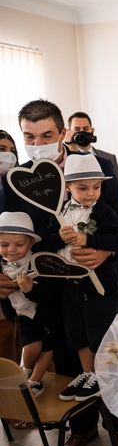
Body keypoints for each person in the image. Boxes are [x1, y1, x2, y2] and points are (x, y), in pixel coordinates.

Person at [0, 99, 118, 446]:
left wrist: (103, 251)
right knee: (68, 359)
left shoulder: (101, 166)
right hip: (51, 287)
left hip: (102, 281)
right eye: (29, 136)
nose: (37, 142)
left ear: (62, 132)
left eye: (46, 134)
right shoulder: (19, 179)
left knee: (108, 356)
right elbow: (7, 233)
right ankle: (81, 430)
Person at [34, 154, 118, 402]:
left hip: (99, 285)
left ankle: (101, 374)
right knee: (78, 334)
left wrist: (90, 240)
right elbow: (43, 243)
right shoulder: (59, 214)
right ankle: (88, 373)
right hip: (69, 285)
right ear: (67, 187)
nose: (91, 194)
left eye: (96, 187)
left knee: (99, 332)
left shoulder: (104, 211)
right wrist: (59, 238)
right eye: (82, 188)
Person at [0, 212, 53, 397]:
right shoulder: (2, 264)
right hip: (23, 314)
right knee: (32, 347)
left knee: (47, 348)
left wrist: (30, 289)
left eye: (19, 244)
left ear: (30, 243)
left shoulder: (38, 262)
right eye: (4, 245)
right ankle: (26, 368)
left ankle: (34, 381)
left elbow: (49, 292)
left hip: (44, 311)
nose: (11, 250)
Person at [0, 130, 20, 361]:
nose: (8, 155)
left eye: (11, 150)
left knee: (16, 339)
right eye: (1, 150)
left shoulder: (16, 186)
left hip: (16, 274)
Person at [64, 111, 118, 186]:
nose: (82, 133)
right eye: (77, 129)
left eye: (85, 129)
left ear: (92, 131)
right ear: (69, 132)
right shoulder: (64, 159)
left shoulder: (110, 158)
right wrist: (71, 150)